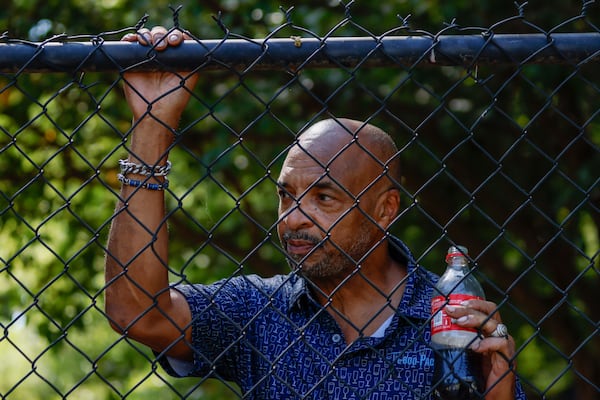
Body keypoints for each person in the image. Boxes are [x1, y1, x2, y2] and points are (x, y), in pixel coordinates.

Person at [105, 26, 525, 399]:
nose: (293, 219)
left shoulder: (452, 320)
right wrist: (152, 124)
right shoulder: (258, 311)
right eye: (286, 196)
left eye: (324, 198)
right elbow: (137, 312)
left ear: (385, 209)